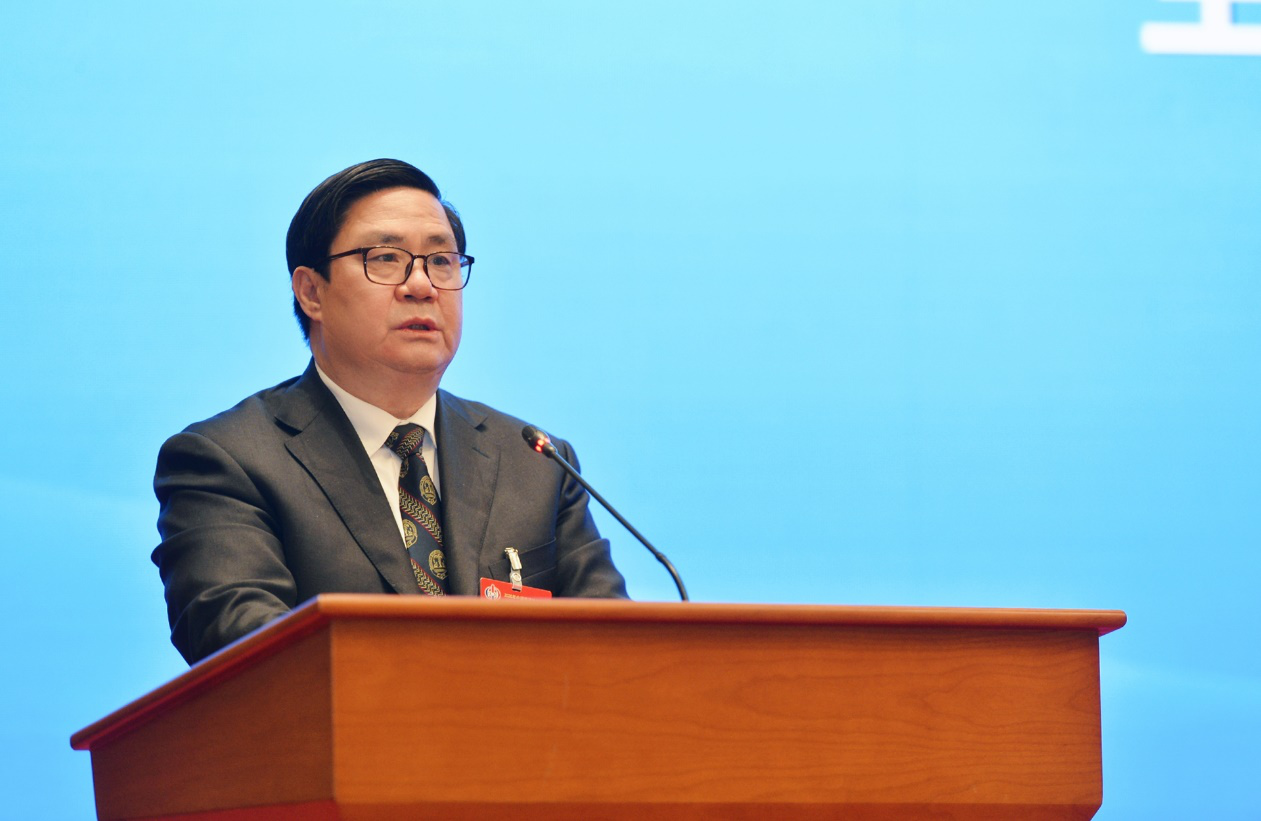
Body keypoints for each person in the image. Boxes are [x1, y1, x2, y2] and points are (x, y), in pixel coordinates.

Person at [152, 159, 628, 664]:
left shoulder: (535, 463)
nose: (421, 285)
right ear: (311, 291)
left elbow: (616, 653)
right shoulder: (228, 463)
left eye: (441, 261)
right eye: (385, 258)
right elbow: (247, 648)